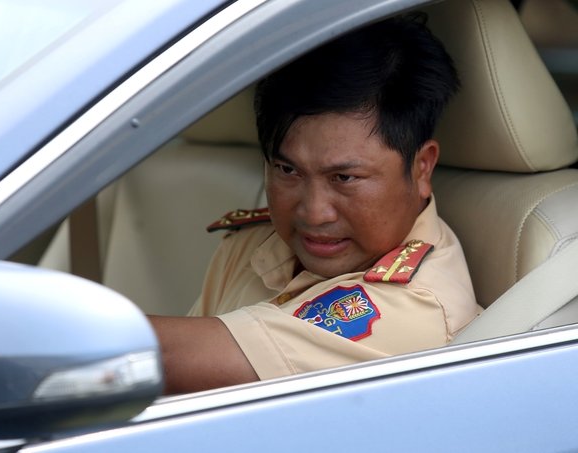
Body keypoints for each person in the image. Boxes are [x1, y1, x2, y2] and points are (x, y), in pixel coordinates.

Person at [148, 13, 482, 394]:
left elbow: (162, 362)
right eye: (288, 170)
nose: (314, 212)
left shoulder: (414, 306)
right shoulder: (254, 246)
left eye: (344, 178)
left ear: (422, 168)